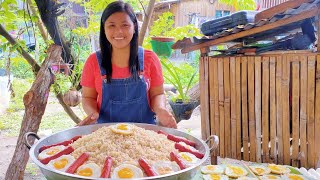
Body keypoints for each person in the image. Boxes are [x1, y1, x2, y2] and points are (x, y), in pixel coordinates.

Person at [79, 1, 177, 128]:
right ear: (104, 28)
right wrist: (93, 114)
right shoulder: (93, 61)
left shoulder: (150, 58)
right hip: (105, 135)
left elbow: (157, 93)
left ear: (134, 26)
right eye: (111, 25)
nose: (118, 31)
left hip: (145, 133)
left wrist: (160, 109)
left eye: (125, 25)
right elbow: (88, 97)